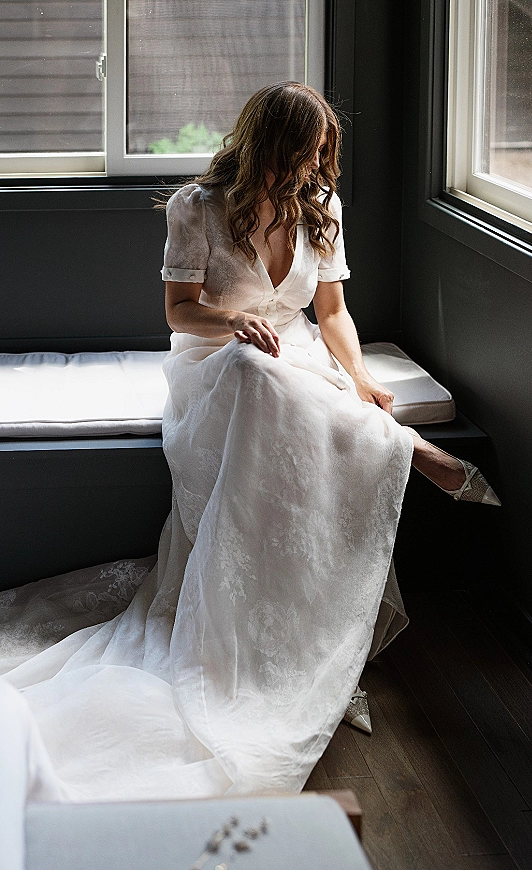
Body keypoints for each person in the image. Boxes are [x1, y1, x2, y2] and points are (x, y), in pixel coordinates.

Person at [0, 82, 499, 802]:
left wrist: (358, 379)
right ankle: (409, 452)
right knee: (251, 367)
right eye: (299, 154)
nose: (310, 170)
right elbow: (179, 313)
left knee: (285, 380)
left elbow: (331, 312)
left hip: (294, 358)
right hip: (213, 364)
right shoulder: (196, 207)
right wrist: (231, 324)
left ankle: (320, 634)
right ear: (266, 145)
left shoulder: (320, 208)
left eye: (319, 156)